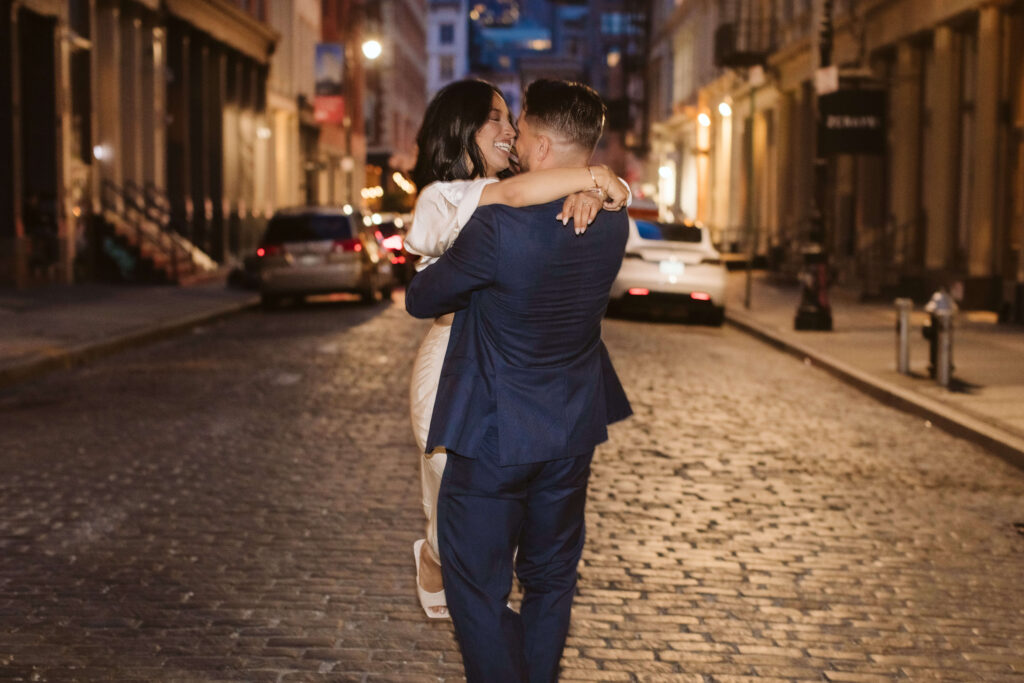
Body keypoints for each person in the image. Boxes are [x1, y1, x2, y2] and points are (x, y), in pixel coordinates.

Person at [405, 78, 632, 682]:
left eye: (524, 130)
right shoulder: (614, 221)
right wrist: (603, 183)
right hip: (570, 431)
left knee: (475, 584)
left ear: (548, 147)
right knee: (552, 578)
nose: (516, 141)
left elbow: (422, 296)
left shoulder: (498, 225)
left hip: (493, 435)